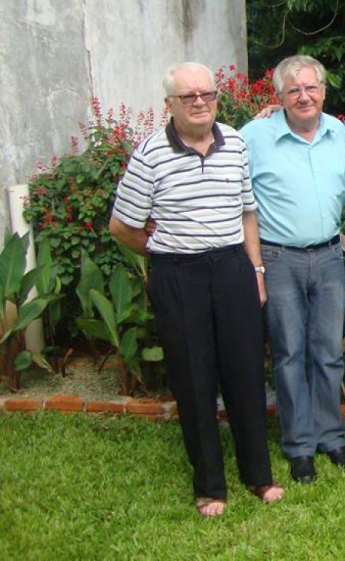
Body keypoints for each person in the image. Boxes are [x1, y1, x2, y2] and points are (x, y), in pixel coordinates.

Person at [108, 62, 283, 517]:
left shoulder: (236, 143)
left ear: (217, 99)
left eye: (207, 94)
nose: (200, 102)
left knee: (245, 373)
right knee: (194, 378)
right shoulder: (149, 154)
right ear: (169, 104)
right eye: (188, 97)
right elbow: (122, 227)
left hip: (233, 267)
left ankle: (258, 475)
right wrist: (163, 252)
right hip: (177, 274)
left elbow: (248, 212)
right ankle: (210, 485)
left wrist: (257, 270)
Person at [240, 55, 345, 484]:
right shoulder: (253, 136)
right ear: (279, 97)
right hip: (277, 258)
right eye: (293, 90)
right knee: (290, 354)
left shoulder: (339, 132)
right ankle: (299, 446)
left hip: (329, 257)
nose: (304, 96)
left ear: (324, 92)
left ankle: (332, 437)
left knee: (328, 352)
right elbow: (238, 196)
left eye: (311, 88)